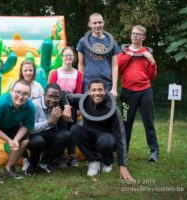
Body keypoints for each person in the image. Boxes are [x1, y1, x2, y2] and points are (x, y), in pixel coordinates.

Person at [65, 78, 133, 180]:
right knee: (75, 129)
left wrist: (122, 165)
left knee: (104, 141)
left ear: (105, 91)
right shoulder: (83, 100)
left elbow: (121, 137)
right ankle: (93, 161)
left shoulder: (113, 108)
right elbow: (64, 94)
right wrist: (66, 106)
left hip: (107, 138)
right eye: (94, 90)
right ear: (89, 92)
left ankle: (106, 161)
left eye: (100, 90)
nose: (97, 93)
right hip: (89, 134)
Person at [117, 25, 159, 162]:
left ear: (143, 37)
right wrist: (128, 55)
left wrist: (152, 62)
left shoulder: (147, 54)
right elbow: (118, 69)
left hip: (145, 91)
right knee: (125, 122)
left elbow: (152, 76)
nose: (135, 36)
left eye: (138, 34)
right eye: (133, 33)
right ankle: (123, 152)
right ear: (131, 36)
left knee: (149, 122)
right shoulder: (123, 52)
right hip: (127, 93)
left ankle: (154, 152)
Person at [0, 79, 35, 182]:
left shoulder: (30, 107)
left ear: (29, 95)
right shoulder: (0, 103)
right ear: (11, 91)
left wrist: (16, 139)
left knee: (24, 140)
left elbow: (26, 126)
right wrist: (9, 140)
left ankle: (8, 168)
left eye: (25, 94)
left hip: (11, 125)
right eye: (17, 92)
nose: (20, 96)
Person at [25, 83, 71, 176]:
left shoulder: (58, 105)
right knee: (38, 141)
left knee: (67, 135)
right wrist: (49, 122)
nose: (53, 100)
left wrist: (67, 107)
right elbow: (29, 129)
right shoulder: (34, 105)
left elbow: (67, 94)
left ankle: (46, 160)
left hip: (49, 132)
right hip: (34, 134)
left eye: (56, 97)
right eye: (50, 96)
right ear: (44, 95)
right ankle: (33, 162)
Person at [48, 46, 83, 167]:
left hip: (72, 106)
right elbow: (51, 92)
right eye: (66, 55)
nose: (68, 57)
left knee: (72, 129)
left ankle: (72, 155)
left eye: (71, 55)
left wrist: (77, 108)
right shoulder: (55, 73)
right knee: (62, 130)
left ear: (74, 58)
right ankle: (61, 155)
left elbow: (78, 92)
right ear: (62, 57)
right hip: (58, 106)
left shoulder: (78, 74)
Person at [77, 12, 119, 96]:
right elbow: (81, 64)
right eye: (94, 23)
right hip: (88, 82)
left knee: (106, 108)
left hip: (106, 83)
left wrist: (114, 88)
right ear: (89, 24)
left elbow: (114, 66)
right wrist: (80, 85)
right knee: (89, 108)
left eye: (100, 22)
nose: (97, 25)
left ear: (103, 23)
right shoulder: (83, 41)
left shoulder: (112, 42)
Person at [18, 59, 44, 171]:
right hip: (20, 119)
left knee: (38, 139)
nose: (28, 73)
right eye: (26, 70)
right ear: (21, 71)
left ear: (34, 71)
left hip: (35, 119)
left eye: (30, 70)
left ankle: (37, 159)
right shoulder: (17, 85)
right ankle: (25, 158)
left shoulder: (37, 86)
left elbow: (43, 103)